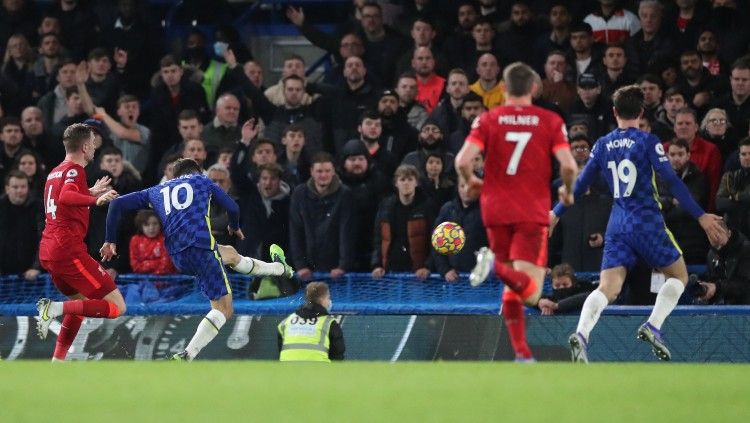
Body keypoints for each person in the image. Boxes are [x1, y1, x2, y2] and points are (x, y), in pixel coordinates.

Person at [551, 85, 726, 363]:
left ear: (614, 112)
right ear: (641, 112)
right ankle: (654, 325)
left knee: (607, 289)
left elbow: (581, 183)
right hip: (646, 221)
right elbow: (671, 181)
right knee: (679, 276)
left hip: (617, 224)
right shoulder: (648, 141)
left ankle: (582, 334)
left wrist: (556, 212)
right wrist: (701, 216)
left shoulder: (602, 144)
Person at [100, 158, 295, 361]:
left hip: (177, 256)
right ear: (198, 172)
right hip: (202, 249)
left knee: (230, 254)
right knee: (224, 310)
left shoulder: (156, 191)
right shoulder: (202, 181)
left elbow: (116, 204)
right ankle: (187, 355)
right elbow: (233, 208)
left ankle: (280, 269)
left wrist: (109, 240)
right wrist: (234, 226)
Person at [455, 62, 578, 362]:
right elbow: (569, 166)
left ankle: (522, 353)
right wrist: (568, 190)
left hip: (494, 208)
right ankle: (495, 266)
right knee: (532, 292)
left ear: (505, 88)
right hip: (531, 210)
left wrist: (472, 181)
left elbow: (462, 161)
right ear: (534, 88)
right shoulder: (549, 120)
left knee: (513, 285)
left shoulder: (488, 119)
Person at [35, 123, 122, 362]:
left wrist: (90, 191)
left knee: (80, 304)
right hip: (67, 248)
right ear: (84, 147)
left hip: (50, 249)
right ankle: (52, 309)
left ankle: (58, 361)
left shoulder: (55, 172)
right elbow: (66, 196)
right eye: (93, 144)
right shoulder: (75, 170)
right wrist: (97, 200)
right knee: (116, 307)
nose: (94, 149)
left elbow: (63, 198)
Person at [277, 281, 344, 362]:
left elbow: (282, 349)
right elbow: (337, 355)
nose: (329, 301)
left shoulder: (286, 322)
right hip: (318, 370)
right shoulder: (329, 323)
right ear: (322, 299)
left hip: (287, 370)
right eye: (328, 297)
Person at [129, 209, 177, 275]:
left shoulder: (165, 239)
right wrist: (157, 262)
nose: (151, 228)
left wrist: (145, 263)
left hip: (167, 278)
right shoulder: (135, 240)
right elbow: (135, 266)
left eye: (155, 223)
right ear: (141, 226)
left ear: (160, 224)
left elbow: (166, 265)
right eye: (146, 224)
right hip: (142, 279)